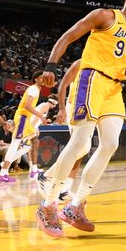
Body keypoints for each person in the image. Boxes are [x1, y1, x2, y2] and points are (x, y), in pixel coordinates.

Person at [36, 0, 126, 238]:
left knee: (110, 144)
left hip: (115, 88)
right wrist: (51, 66)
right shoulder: (105, 16)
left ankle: (75, 205)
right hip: (92, 78)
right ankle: (49, 204)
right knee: (79, 143)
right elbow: (68, 36)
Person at [37, 59, 84, 201]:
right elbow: (62, 85)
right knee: (81, 146)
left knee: (82, 149)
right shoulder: (81, 63)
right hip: (75, 105)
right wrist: (62, 108)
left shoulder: (107, 65)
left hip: (91, 108)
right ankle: (46, 177)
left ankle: (65, 189)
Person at [0, 73, 51, 183]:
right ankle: (4, 171)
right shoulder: (33, 89)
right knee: (16, 144)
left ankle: (32, 169)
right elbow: (27, 106)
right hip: (22, 118)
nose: (43, 80)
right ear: (35, 79)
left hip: (25, 118)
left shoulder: (36, 90)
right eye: (41, 78)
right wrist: (40, 115)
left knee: (32, 143)